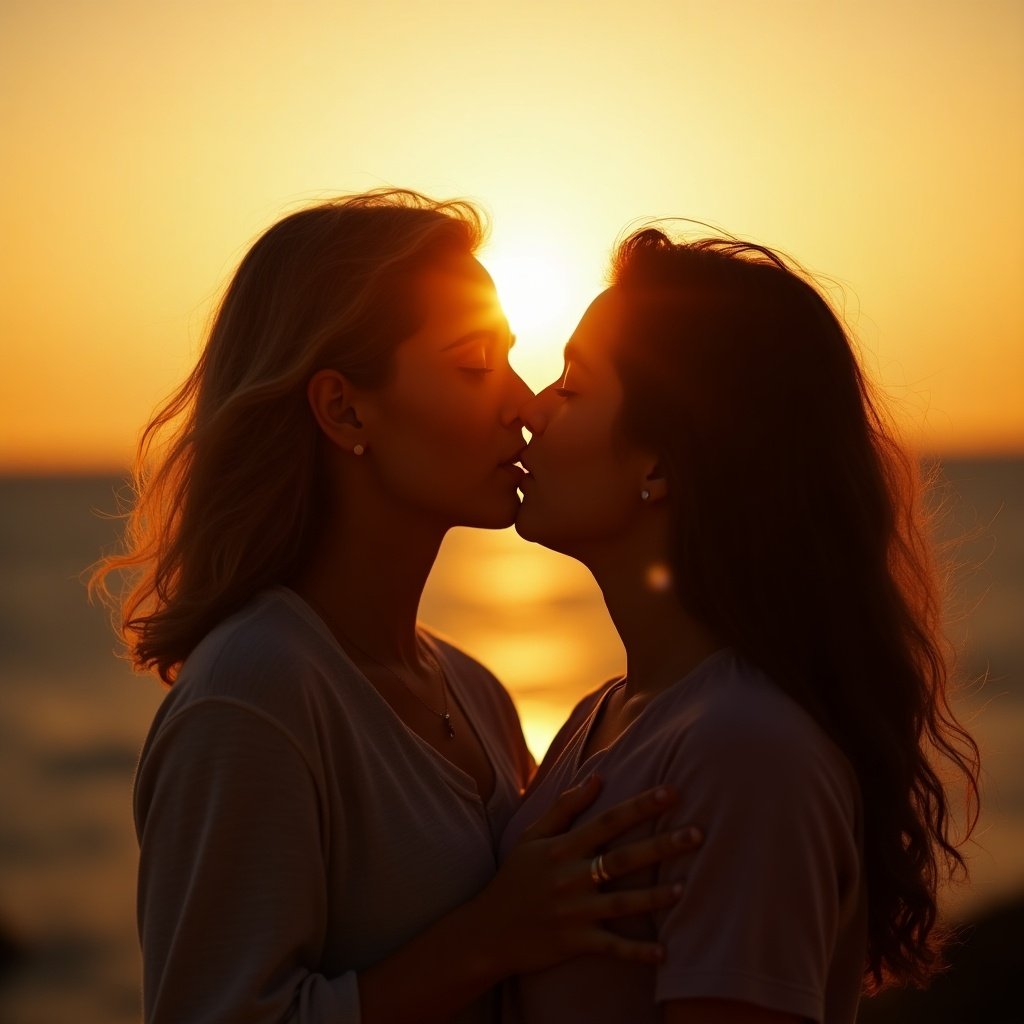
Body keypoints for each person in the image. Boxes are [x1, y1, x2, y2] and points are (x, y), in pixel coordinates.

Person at [90, 192, 703, 1024]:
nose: (523, 405)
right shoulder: (255, 695)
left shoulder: (473, 689)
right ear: (344, 408)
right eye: (474, 365)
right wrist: (489, 937)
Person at [502, 227, 981, 1023]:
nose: (531, 412)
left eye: (573, 387)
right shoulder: (611, 716)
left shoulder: (743, 749)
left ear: (659, 464)